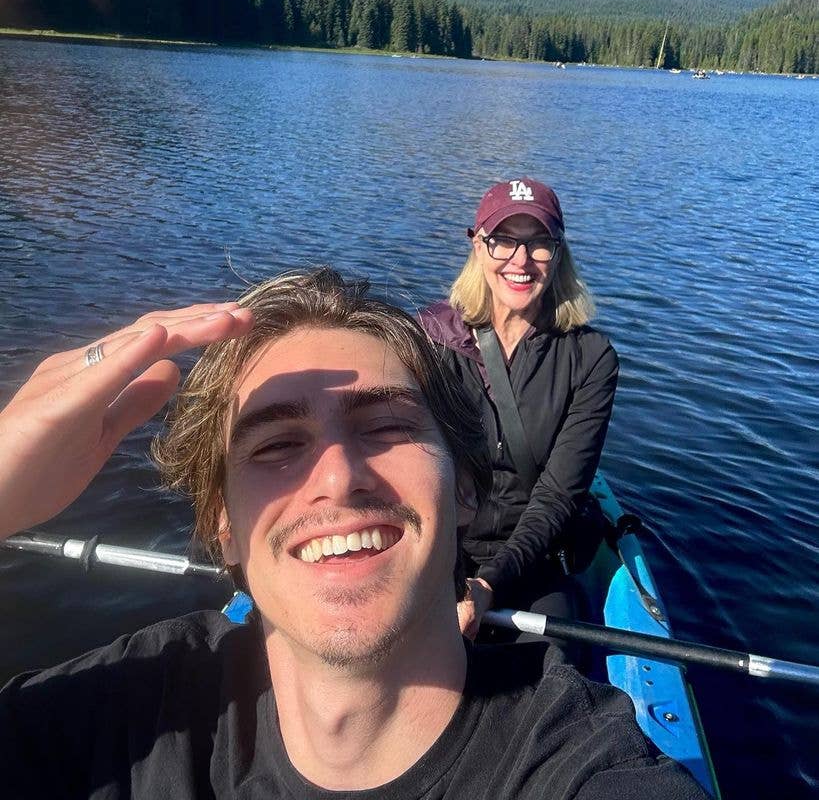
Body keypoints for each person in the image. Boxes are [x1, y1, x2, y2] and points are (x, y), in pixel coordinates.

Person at [0, 269, 706, 798]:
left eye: (388, 427)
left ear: (464, 484)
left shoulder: (581, 770)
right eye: (277, 445)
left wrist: (493, 580)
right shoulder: (124, 716)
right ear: (222, 522)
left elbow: (561, 492)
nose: (338, 477)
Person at [420, 178, 619, 643]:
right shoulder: (429, 340)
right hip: (436, 546)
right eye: (503, 240)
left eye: (539, 243)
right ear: (477, 245)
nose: (521, 260)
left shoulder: (590, 359)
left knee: (551, 662)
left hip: (530, 554)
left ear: (559, 253)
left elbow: (557, 497)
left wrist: (488, 585)